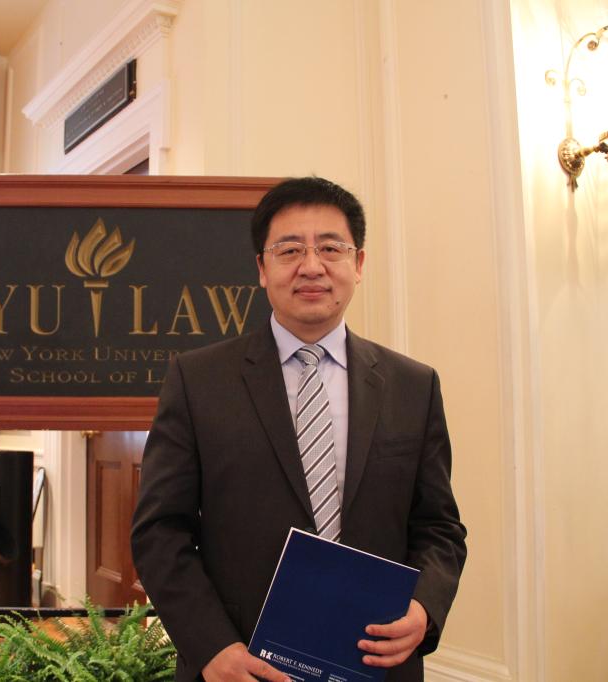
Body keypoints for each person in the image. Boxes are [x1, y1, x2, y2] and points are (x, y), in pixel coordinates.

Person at [131, 176, 467, 682]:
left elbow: (439, 527)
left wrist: (424, 609)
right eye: (289, 250)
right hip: (239, 665)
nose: (312, 266)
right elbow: (159, 531)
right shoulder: (197, 380)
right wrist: (211, 648)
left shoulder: (413, 386)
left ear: (359, 264)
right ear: (262, 269)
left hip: (375, 664)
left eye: (331, 248)